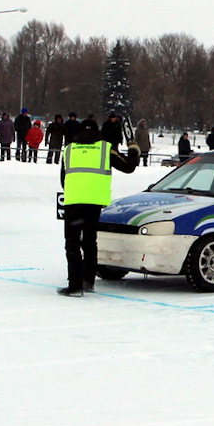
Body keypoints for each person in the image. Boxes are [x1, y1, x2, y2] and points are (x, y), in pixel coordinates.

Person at [57, 116, 140, 296]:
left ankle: (75, 285)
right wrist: (134, 149)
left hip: (73, 202)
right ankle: (88, 281)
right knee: (89, 242)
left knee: (72, 244)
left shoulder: (69, 149)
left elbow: (63, 178)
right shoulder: (105, 149)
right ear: (98, 132)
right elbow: (129, 167)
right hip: (94, 203)